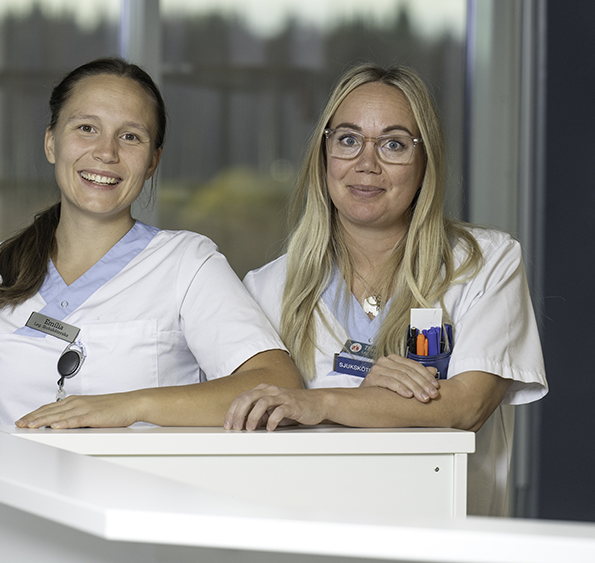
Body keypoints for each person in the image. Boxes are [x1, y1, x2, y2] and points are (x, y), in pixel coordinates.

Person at [227, 63, 548, 516]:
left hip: (442, 535)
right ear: (324, 154)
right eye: (348, 139)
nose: (366, 163)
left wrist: (318, 402)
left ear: (425, 162)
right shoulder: (266, 289)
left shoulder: (485, 263)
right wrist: (371, 399)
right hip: (309, 530)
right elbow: (245, 418)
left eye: (394, 144)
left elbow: (465, 407)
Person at [0, 57, 301, 429]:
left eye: (130, 136)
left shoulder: (187, 263)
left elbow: (278, 385)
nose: (106, 152)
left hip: (141, 487)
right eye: (86, 128)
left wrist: (130, 407)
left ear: (153, 162)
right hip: (5, 485)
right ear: (51, 142)